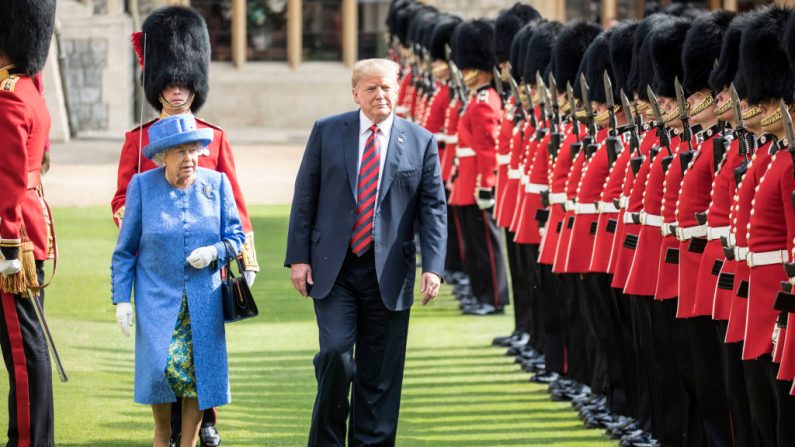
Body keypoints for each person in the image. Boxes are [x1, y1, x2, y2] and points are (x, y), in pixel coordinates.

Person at [110, 6, 257, 445]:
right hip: (156, 263)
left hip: (206, 265)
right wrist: (147, 224)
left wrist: (244, 254)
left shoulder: (214, 135)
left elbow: (234, 201)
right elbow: (122, 198)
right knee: (161, 360)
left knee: (203, 352)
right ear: (157, 86)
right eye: (170, 84)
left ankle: (203, 422)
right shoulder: (138, 141)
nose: (177, 91)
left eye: (185, 83)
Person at [285, 58, 447, 446]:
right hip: (335, 270)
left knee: (379, 375)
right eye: (371, 88)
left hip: (389, 272)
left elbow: (433, 208)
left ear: (399, 90)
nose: (380, 95)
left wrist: (434, 267)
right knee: (337, 356)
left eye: (387, 87)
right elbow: (305, 197)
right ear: (355, 93)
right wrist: (299, 258)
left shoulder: (421, 141)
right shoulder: (327, 132)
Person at [110, 113, 245, 447]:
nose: (189, 158)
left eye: (193, 150)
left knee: (199, 379)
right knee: (161, 371)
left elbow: (236, 237)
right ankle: (162, 436)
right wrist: (122, 300)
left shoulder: (217, 185)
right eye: (180, 152)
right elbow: (125, 250)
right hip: (157, 299)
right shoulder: (142, 186)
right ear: (162, 157)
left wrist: (215, 252)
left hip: (203, 301)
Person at [0, 1, 57, 445]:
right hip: (30, 227)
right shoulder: (30, 90)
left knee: (22, 350)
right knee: (25, 341)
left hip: (10, 237)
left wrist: (4, 247)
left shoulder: (8, 94)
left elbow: (8, 177)